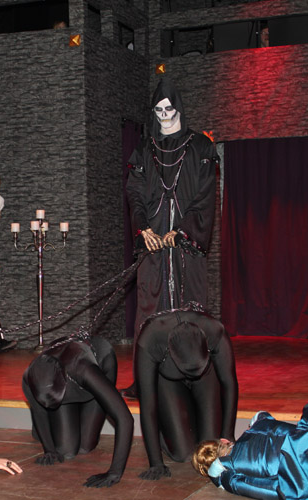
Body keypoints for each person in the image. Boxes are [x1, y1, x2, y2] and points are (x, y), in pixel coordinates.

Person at [122, 78, 218, 398]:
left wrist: (184, 230)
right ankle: (147, 379)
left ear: (178, 108)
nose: (164, 115)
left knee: (190, 304)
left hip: (185, 243)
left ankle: (193, 376)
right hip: (153, 242)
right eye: (158, 110)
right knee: (151, 306)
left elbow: (205, 195)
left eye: (169, 109)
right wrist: (143, 229)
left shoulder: (200, 147)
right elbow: (135, 194)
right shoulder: (143, 150)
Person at [192, 392, 308, 500]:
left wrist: (221, 479)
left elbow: (268, 489)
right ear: (224, 441)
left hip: (305, 466)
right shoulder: (259, 426)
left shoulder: (236, 465)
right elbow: (266, 418)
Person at [136, 308, 238, 480]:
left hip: (206, 378)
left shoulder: (214, 330)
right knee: (182, 454)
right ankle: (166, 427)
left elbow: (229, 384)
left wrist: (228, 434)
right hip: (168, 381)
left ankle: (191, 421)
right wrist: (155, 462)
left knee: (209, 446)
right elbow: (147, 405)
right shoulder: (151, 337)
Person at [22, 332, 134, 488]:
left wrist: (114, 473)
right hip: (64, 384)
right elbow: (39, 411)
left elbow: (125, 418)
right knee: (66, 451)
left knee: (85, 446)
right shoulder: (29, 377)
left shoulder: (84, 369)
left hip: (96, 367)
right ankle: (55, 424)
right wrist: (49, 449)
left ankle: (78, 411)